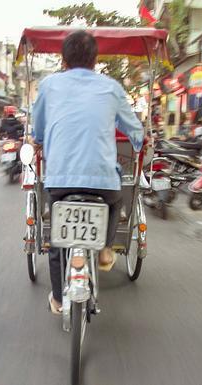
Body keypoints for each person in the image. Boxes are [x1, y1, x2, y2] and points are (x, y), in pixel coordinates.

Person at [32, 31, 144, 314]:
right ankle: (106, 247)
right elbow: (133, 128)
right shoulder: (111, 87)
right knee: (116, 200)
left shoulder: (48, 85)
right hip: (103, 182)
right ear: (95, 60)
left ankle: (58, 299)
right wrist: (143, 141)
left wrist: (41, 138)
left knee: (58, 243)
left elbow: (39, 130)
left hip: (58, 180)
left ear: (63, 59)